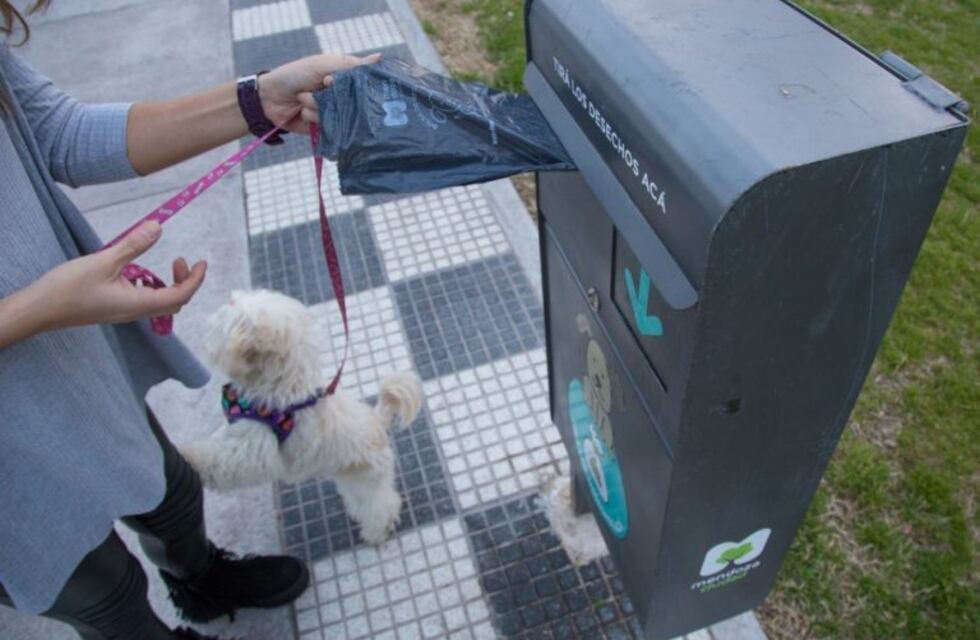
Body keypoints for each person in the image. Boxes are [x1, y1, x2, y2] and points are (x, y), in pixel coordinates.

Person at [0, 2, 378, 638]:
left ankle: (200, 579)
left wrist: (260, 98)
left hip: (70, 356)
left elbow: (58, 133)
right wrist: (41, 307)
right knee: (99, 585)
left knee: (169, 488)